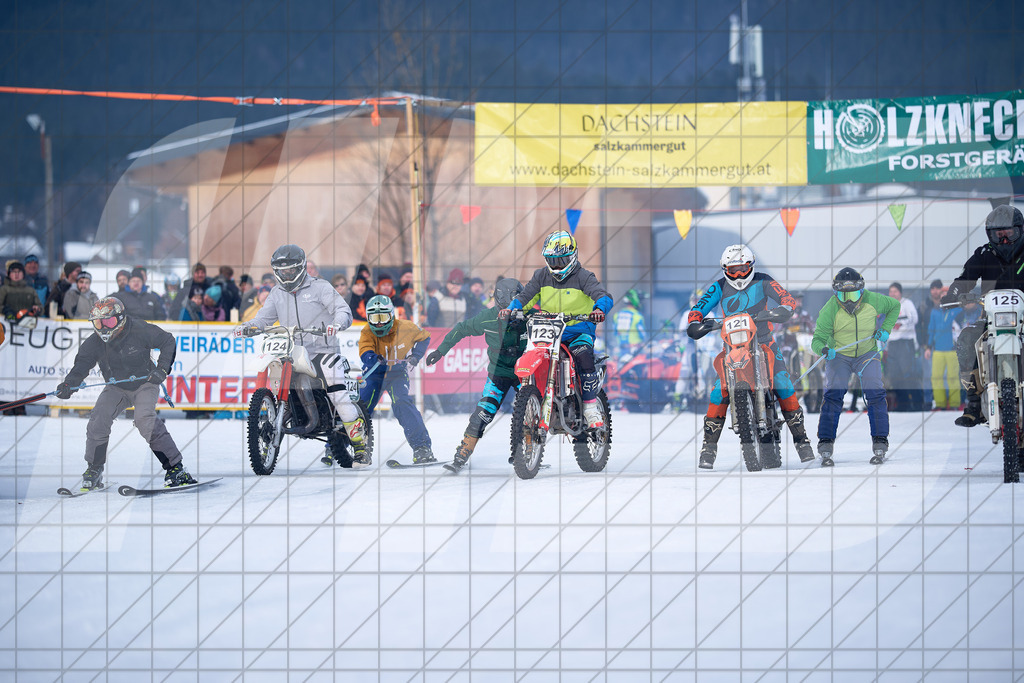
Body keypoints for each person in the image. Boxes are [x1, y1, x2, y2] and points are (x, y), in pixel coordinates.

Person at [237, 244, 368, 466]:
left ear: (300, 267)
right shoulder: (277, 293)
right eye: (282, 270)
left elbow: (342, 309)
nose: (286, 274)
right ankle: (284, 414)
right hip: (292, 351)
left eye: (290, 270)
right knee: (280, 382)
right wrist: (248, 327)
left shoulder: (321, 287)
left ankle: (360, 448)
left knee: (338, 395)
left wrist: (337, 323)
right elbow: (264, 318)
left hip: (323, 350)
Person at [686, 244, 815, 468]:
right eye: (733, 269)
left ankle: (802, 441)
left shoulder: (764, 280)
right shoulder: (719, 287)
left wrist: (785, 308)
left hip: (764, 342)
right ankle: (708, 448)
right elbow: (699, 307)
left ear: (751, 265)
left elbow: (786, 298)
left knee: (783, 383)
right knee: (719, 391)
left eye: (742, 268)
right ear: (725, 268)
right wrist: (695, 320)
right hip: (732, 347)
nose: (738, 275)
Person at [54, 297, 196, 490]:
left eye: (108, 322)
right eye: (98, 323)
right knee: (98, 418)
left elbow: (167, 340)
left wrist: (162, 369)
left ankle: (176, 469)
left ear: (120, 319)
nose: (104, 328)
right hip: (116, 387)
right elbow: (81, 365)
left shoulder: (139, 329)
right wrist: (69, 385)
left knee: (144, 418)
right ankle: (94, 469)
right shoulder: (95, 342)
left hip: (145, 383)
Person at [499, 230, 613, 430]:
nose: (558, 265)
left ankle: (589, 405)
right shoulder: (541, 276)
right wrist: (511, 310)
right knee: (527, 353)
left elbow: (603, 296)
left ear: (573, 256)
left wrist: (599, 310)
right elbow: (526, 297)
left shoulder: (584, 277)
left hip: (578, 331)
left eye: (562, 260)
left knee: (583, 355)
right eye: (553, 261)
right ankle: (535, 396)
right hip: (548, 331)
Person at [427, 278, 533, 473]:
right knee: (482, 413)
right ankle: (462, 453)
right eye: (506, 307)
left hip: (525, 373)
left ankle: (526, 451)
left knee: (531, 411)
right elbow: (460, 329)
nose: (509, 312)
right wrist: (440, 351)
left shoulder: (530, 315)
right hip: (498, 374)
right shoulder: (487, 317)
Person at [942, 205, 1024, 427]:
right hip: (991, 318)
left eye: (1009, 234)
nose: (1005, 240)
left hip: (1023, 317)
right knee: (967, 340)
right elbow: (965, 279)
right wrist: (953, 295)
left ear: (1020, 231)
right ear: (991, 235)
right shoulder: (984, 253)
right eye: (999, 235)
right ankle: (974, 405)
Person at [810, 267, 900, 466]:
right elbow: (817, 340)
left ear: (862, 291)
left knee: (875, 393)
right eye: (844, 295)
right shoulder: (829, 309)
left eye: (854, 294)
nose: (849, 300)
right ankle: (825, 442)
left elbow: (894, 306)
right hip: (839, 356)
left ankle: (880, 440)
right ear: (836, 294)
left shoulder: (873, 300)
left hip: (867, 353)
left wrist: (885, 330)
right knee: (833, 395)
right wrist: (824, 349)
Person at [358, 294, 433, 463]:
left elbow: (425, 337)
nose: (378, 323)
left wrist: (416, 355)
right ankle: (345, 446)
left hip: (397, 373)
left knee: (402, 403)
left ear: (391, 315)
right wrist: (374, 358)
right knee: (362, 407)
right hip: (374, 373)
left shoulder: (406, 327)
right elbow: (364, 352)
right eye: (374, 318)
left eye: (382, 317)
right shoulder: (367, 331)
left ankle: (422, 447)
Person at [885, 282, 920, 411]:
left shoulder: (907, 303)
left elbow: (913, 319)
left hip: (905, 342)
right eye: (891, 292)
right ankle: (902, 403)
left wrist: (901, 327)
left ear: (900, 292)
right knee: (895, 375)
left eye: (895, 291)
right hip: (893, 343)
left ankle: (916, 403)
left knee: (908, 374)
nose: (893, 294)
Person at [925, 290, 961, 411]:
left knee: (953, 377)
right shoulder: (935, 312)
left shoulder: (957, 311)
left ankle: (955, 403)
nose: (944, 297)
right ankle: (940, 403)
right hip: (938, 350)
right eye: (942, 295)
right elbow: (931, 330)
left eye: (947, 295)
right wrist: (928, 347)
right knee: (936, 377)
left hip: (952, 349)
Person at [614, 288, 647, 357]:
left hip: (620, 350)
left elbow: (615, 333)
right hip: (634, 350)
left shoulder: (617, 315)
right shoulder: (637, 316)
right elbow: (643, 335)